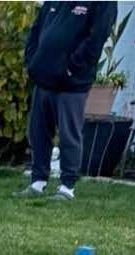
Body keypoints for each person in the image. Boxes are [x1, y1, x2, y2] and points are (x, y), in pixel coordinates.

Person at [20, 1, 117, 200]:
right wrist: (32, 61)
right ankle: (38, 182)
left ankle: (67, 187)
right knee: (38, 132)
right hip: (43, 77)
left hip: (72, 83)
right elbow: (37, 28)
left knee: (69, 134)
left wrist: (72, 67)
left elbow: (96, 37)